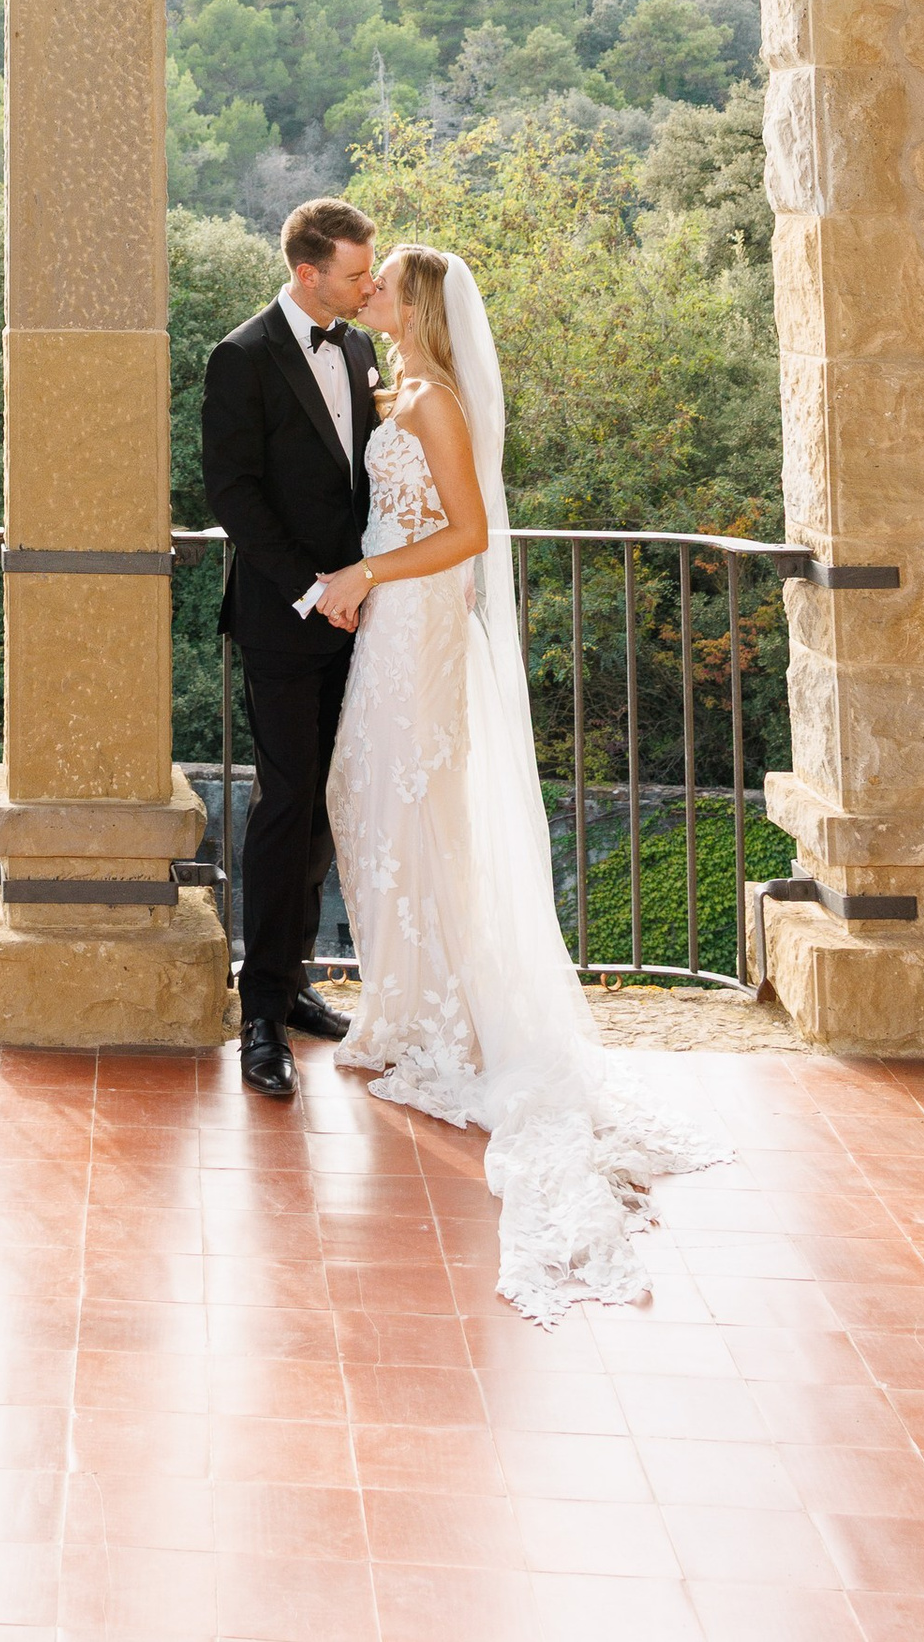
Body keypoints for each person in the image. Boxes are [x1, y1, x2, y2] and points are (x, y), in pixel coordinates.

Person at [317, 238, 721, 1325]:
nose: (375, 291)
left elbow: (469, 532)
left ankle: (434, 1018)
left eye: (387, 280)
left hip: (419, 624)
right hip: (388, 624)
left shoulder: (437, 401)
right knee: (368, 799)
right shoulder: (396, 383)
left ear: (418, 301)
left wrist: (363, 570)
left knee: (409, 804)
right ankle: (403, 1001)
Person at [197, 196, 381, 1105]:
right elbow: (234, 495)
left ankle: (296, 978)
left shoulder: (357, 346)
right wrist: (313, 591)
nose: (369, 284)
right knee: (283, 805)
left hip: (366, 619)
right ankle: (259, 1012)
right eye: (355, 273)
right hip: (283, 617)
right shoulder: (241, 356)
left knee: (323, 808)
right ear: (308, 272)